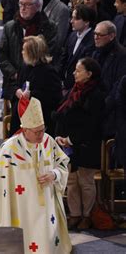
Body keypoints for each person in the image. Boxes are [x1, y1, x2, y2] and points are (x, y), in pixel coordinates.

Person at [0, 97, 72, 254]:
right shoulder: (10, 149)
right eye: (37, 131)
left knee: (47, 244)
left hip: (47, 207)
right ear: (25, 130)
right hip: (21, 207)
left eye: (43, 129)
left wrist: (54, 174)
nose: (41, 135)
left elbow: (63, 164)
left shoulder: (47, 141)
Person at [53, 57, 105, 230]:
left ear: (89, 74)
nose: (75, 73)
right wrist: (60, 136)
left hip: (86, 145)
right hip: (69, 144)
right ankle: (75, 214)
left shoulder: (96, 94)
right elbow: (64, 113)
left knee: (86, 181)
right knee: (72, 180)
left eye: (78, 70)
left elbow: (92, 124)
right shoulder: (73, 90)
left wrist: (71, 139)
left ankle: (87, 215)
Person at [0, 0, 57, 108]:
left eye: (27, 5)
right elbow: (2, 56)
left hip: (38, 79)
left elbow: (49, 53)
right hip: (13, 80)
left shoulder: (48, 27)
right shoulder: (10, 27)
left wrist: (30, 75)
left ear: (38, 7)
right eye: (20, 4)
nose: (23, 8)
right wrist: (15, 74)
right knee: (17, 111)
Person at [10, 35, 62, 136]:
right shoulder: (24, 67)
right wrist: (16, 91)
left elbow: (54, 98)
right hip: (21, 117)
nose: (22, 52)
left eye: (24, 50)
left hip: (39, 120)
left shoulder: (48, 72)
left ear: (33, 53)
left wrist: (32, 95)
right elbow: (14, 85)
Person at [92, 21, 126, 139]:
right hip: (96, 104)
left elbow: (118, 86)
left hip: (111, 112)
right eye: (95, 34)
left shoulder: (122, 56)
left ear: (111, 36)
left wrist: (102, 107)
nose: (96, 37)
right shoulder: (96, 53)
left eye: (100, 35)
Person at [59, 4, 96, 91]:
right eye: (72, 17)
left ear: (86, 22)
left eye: (76, 18)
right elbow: (63, 59)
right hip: (65, 84)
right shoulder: (72, 35)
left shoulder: (93, 40)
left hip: (79, 87)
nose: (71, 21)